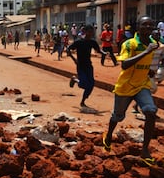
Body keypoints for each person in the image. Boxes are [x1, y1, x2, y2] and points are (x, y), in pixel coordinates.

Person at [103, 15, 158, 166]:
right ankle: (108, 136)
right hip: (126, 86)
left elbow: (146, 63)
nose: (147, 28)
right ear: (138, 27)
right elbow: (125, 64)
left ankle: (145, 150)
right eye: (144, 25)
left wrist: (149, 71)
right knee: (118, 116)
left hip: (142, 85)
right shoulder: (130, 43)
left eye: (150, 25)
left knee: (151, 112)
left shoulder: (154, 43)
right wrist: (146, 52)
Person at [67, 25, 106, 108]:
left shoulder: (92, 42)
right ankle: (74, 79)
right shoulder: (79, 42)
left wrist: (104, 53)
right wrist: (74, 59)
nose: (91, 33)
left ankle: (83, 101)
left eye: (92, 32)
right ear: (85, 31)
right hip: (81, 66)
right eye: (90, 31)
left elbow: (98, 50)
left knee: (91, 84)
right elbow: (68, 49)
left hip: (88, 65)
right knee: (83, 84)